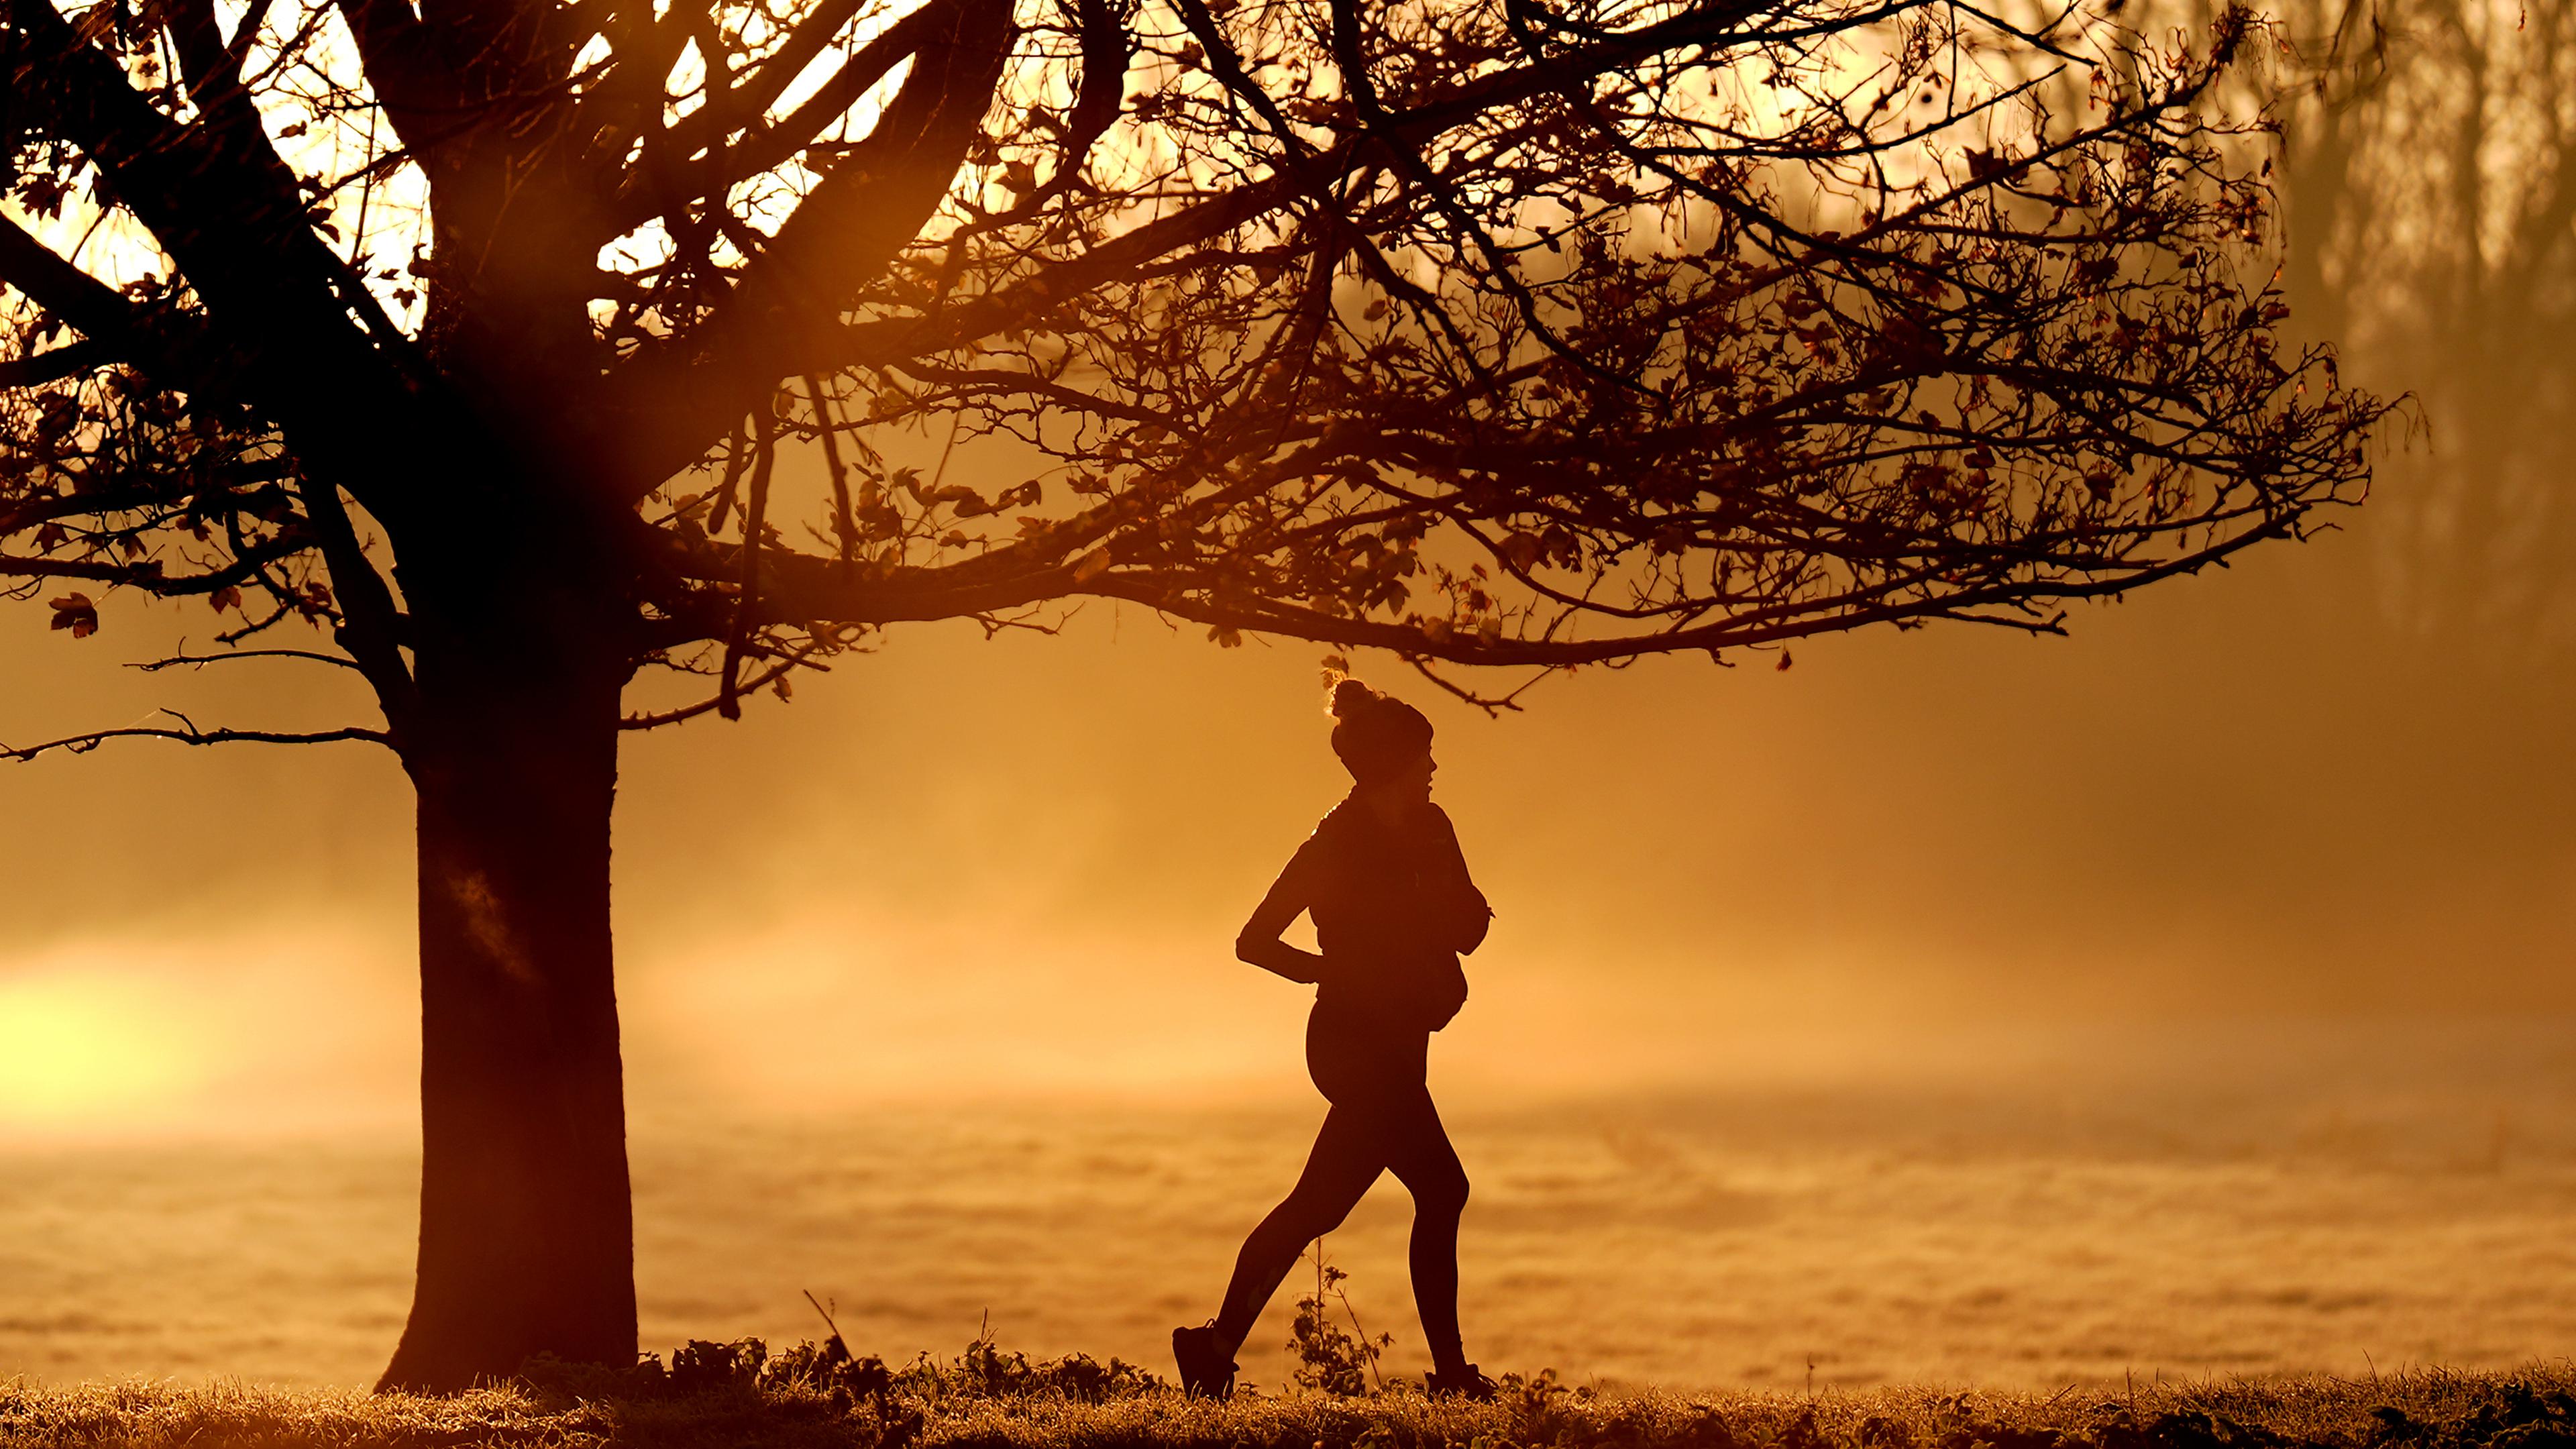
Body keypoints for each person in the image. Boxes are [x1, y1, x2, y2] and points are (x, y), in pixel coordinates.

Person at [1171, 678, 1497, 1402]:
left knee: (1318, 1207)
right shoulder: (1331, 845)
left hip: (1403, 1045)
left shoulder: (1434, 829)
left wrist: (1452, 901)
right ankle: (1450, 1379)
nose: (1435, 772)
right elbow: (1253, 942)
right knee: (1444, 1188)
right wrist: (1336, 972)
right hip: (1351, 1047)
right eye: (1425, 759)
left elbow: (1469, 930)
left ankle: (1213, 1348)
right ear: (1393, 767)